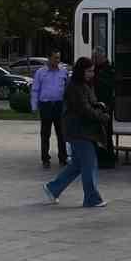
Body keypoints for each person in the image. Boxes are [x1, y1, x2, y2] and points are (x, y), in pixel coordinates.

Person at [42, 57, 107, 208]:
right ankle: (92, 198)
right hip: (79, 131)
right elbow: (84, 109)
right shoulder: (74, 87)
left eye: (93, 71)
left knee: (78, 164)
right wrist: (101, 116)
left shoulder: (84, 85)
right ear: (81, 71)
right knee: (89, 164)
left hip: (82, 130)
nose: (92, 74)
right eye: (89, 71)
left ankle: (53, 188)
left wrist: (99, 106)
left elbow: (89, 104)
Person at [31, 51, 69, 167]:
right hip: (46, 105)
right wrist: (34, 106)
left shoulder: (63, 71)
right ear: (49, 58)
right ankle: (45, 159)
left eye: (59, 58)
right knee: (45, 133)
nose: (57, 60)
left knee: (62, 133)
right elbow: (35, 90)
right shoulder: (40, 73)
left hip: (59, 105)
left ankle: (63, 158)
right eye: (55, 58)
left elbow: (67, 89)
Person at [92, 53, 118, 167]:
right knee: (103, 134)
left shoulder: (106, 70)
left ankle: (106, 160)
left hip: (105, 105)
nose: (94, 60)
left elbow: (107, 87)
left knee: (104, 133)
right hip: (102, 105)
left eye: (95, 58)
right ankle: (105, 158)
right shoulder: (101, 69)